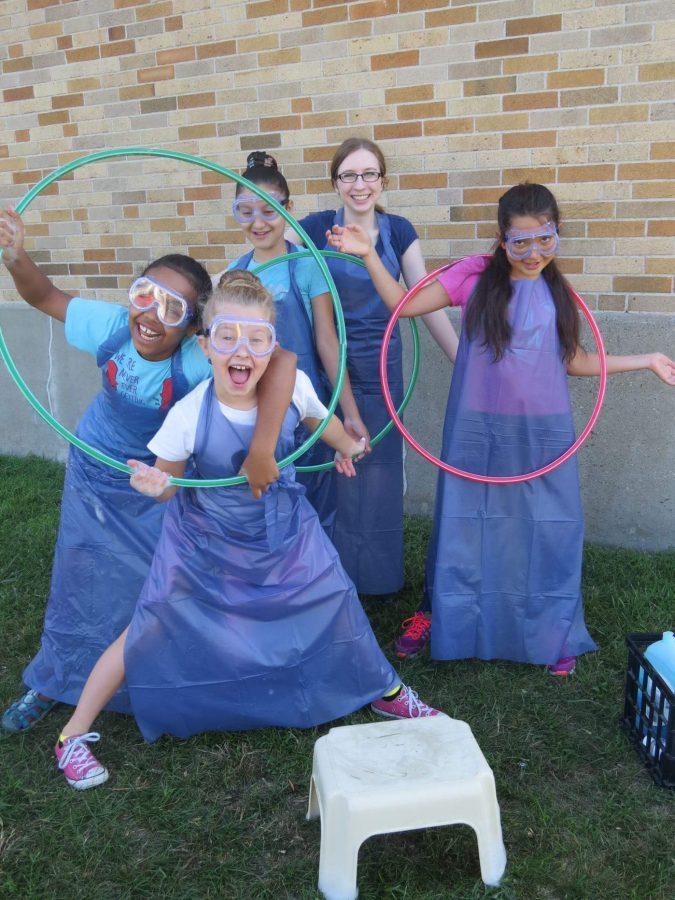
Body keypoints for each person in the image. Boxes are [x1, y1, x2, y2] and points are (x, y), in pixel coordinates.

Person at [51, 272, 444, 790]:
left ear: (273, 346)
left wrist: (350, 450)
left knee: (335, 599)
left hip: (285, 534)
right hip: (205, 544)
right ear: (205, 345)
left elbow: (328, 431)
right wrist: (153, 484)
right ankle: (72, 735)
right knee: (149, 625)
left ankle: (386, 689)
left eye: (257, 339)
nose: (242, 352)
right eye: (226, 337)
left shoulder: (293, 385)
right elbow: (168, 484)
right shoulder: (189, 414)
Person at [327, 182, 675, 674]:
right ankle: (447, 615)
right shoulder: (474, 276)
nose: (534, 253)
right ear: (501, 238)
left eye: (546, 240)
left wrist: (645, 360)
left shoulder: (557, 290)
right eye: (521, 242)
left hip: (544, 434)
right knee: (467, 525)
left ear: (557, 234)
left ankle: (548, 629)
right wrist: (367, 255)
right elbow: (402, 307)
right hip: (476, 429)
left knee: (545, 527)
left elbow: (574, 361)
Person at [0, 209, 296, 734]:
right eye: (144, 294)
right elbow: (44, 296)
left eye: (172, 307)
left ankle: (139, 681)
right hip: (94, 469)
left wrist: (263, 449)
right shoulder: (113, 327)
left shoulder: (195, 359)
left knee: (149, 583)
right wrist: (16, 256)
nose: (151, 315)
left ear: (192, 326)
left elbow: (284, 366)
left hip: (156, 483)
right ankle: (54, 677)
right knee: (80, 572)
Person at [299, 137, 459, 597]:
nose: (360, 184)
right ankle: (327, 576)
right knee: (332, 469)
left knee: (379, 474)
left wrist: (461, 359)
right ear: (335, 183)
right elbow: (268, 246)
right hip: (329, 364)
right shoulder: (313, 228)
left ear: (383, 181)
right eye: (349, 175)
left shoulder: (398, 230)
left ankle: (376, 580)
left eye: (369, 174)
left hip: (385, 369)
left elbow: (424, 303)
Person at [214, 151, 368, 536]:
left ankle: (313, 585)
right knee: (259, 504)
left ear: (288, 209)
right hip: (251, 412)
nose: (258, 222)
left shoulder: (307, 264)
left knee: (312, 507)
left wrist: (346, 412)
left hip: (307, 408)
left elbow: (328, 342)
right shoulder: (235, 274)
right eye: (244, 211)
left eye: (268, 210)